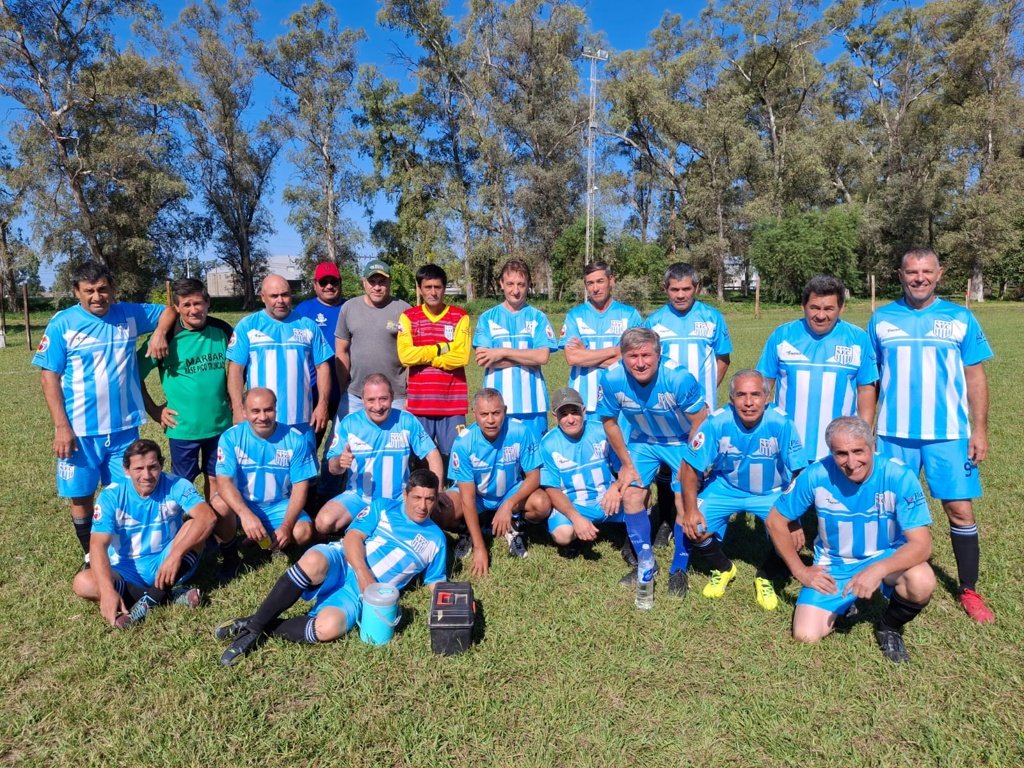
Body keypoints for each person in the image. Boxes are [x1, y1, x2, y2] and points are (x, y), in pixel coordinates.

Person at [867, 248, 995, 623]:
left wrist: (980, 430)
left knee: (959, 509)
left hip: (949, 435)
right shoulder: (881, 319)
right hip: (893, 434)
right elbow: (870, 381)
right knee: (887, 508)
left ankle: (969, 590)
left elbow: (975, 377)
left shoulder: (960, 318)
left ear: (939, 274)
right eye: (912, 272)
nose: (919, 278)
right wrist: (866, 430)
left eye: (926, 271)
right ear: (900, 275)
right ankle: (886, 579)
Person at [215, 468, 448, 666]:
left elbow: (435, 580)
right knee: (313, 560)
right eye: (417, 497)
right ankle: (254, 629)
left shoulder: (437, 539)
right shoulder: (383, 506)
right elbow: (353, 537)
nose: (422, 505)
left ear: (436, 498)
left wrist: (453, 606)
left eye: (429, 499)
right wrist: (363, 574)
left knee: (328, 628)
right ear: (405, 494)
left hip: (361, 594)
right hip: (343, 561)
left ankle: (257, 624)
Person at [34, 260, 176, 568]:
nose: (97, 297)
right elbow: (48, 377)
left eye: (102, 289)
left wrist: (159, 334)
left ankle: (123, 553)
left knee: (125, 491)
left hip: (123, 428)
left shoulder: (128, 314)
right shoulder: (63, 324)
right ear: (76, 292)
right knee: (81, 496)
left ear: (112, 289)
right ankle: (91, 556)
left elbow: (169, 310)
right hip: (79, 432)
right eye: (89, 291)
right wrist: (61, 427)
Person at [765, 417, 936, 663]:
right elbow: (775, 521)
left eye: (858, 451)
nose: (852, 463)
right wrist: (800, 571)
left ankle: (889, 626)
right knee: (805, 635)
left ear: (872, 446)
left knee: (922, 580)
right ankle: (846, 603)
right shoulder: (816, 474)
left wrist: (879, 569)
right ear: (831, 452)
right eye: (841, 454)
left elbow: (922, 545)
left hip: (886, 555)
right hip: (835, 564)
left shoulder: (899, 475)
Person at [676, 370, 809, 606]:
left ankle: (765, 576)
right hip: (726, 487)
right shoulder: (716, 422)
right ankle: (724, 568)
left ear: (766, 398)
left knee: (792, 539)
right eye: (741, 395)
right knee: (693, 525)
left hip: (771, 491)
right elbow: (690, 468)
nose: (749, 402)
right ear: (731, 399)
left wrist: (795, 519)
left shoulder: (782, 422)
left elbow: (800, 472)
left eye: (755, 395)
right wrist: (691, 509)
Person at [596, 327, 708, 584]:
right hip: (643, 439)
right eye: (632, 356)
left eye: (646, 355)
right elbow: (609, 423)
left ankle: (679, 567)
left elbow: (700, 420)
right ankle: (646, 564)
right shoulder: (611, 378)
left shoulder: (678, 378)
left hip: (681, 440)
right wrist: (626, 465)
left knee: (684, 498)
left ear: (659, 354)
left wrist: (691, 461)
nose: (640, 363)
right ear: (622, 356)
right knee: (631, 494)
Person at [71, 439, 216, 628]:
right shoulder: (111, 495)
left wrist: (175, 556)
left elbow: (208, 517)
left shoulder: (177, 484)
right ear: (126, 470)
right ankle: (168, 595)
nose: (146, 475)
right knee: (82, 582)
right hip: (125, 570)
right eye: (138, 469)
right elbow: (97, 544)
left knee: (194, 526)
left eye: (153, 467)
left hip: (167, 562)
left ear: (161, 465)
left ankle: (146, 603)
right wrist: (106, 590)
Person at [644, 262, 732, 545]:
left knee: (698, 463)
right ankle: (666, 520)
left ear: (696, 288)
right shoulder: (654, 322)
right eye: (674, 289)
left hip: (700, 410)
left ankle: (698, 522)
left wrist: (704, 394)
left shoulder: (712, 318)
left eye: (686, 289)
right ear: (665, 289)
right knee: (667, 465)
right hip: (665, 409)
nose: (680, 295)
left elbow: (723, 359)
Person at [757, 274, 878, 460]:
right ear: (803, 306)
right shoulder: (782, 336)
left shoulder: (858, 339)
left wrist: (865, 437)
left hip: (840, 451)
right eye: (814, 308)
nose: (821, 316)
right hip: (786, 447)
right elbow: (762, 388)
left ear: (841, 308)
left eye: (829, 308)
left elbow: (866, 391)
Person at [433, 388, 552, 576]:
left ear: (505, 410)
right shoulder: (463, 443)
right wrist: (480, 548)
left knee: (542, 503)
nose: (490, 420)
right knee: (439, 511)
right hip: (477, 497)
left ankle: (515, 527)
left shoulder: (520, 431)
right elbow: (467, 498)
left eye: (496, 413)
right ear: (474, 413)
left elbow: (534, 477)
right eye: (484, 414)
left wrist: (508, 504)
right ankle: (468, 531)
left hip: (510, 492)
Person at [315, 374, 444, 536]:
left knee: (440, 514)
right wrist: (340, 461)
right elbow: (333, 468)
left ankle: (369, 525)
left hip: (399, 499)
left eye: (383, 399)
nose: (377, 406)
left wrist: (438, 491)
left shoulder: (406, 420)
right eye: (371, 400)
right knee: (323, 522)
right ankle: (370, 523)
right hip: (359, 497)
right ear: (363, 400)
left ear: (392, 397)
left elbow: (432, 454)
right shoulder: (349, 423)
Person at [225, 274, 334, 446]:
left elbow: (323, 367)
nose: (280, 300)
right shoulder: (248, 326)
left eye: (285, 295)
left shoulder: (308, 325)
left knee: (303, 463)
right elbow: (235, 369)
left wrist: (322, 405)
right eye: (274, 296)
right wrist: (238, 409)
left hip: (301, 419)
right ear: (263, 297)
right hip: (261, 420)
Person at [212, 388, 318, 551]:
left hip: (278, 505)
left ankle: (272, 540)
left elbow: (300, 488)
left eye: (268, 410)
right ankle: (229, 552)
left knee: (303, 532)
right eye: (255, 411)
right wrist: (246, 514)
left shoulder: (295, 439)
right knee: (219, 504)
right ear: (244, 412)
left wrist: (287, 526)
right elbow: (223, 483)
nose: (262, 417)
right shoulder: (230, 437)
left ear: (276, 409)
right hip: (242, 502)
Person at [397, 264, 471, 476]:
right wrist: (440, 348)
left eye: (437, 287)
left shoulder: (460, 317)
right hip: (420, 403)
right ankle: (423, 492)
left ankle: (456, 492)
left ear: (444, 288)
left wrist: (425, 357)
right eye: (427, 287)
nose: (433, 292)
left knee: (457, 455)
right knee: (420, 458)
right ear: (420, 289)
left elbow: (462, 356)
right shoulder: (408, 317)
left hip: (452, 402)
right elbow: (406, 356)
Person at [472, 259, 558, 443]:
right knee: (502, 458)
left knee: (535, 458)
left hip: (533, 406)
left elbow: (542, 356)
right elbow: (483, 359)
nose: (515, 290)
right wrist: (528, 357)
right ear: (501, 284)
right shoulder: (487, 318)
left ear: (528, 285)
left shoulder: (538, 317)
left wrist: (501, 352)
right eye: (510, 284)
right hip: (496, 408)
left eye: (521, 284)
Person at [540, 388, 626, 557]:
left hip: (608, 500)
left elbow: (626, 467)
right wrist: (575, 517)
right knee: (563, 534)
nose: (571, 419)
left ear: (584, 410)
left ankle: (632, 541)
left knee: (642, 495)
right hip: (575, 506)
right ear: (554, 416)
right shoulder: (547, 444)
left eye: (575, 412)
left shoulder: (602, 431)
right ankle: (575, 535)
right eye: (564, 414)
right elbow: (552, 489)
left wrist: (616, 487)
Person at [560, 261, 642, 415]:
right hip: (583, 405)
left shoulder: (630, 315)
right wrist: (615, 351)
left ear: (611, 281)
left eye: (600, 281)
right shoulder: (574, 316)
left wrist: (586, 355)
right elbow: (572, 358)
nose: (595, 288)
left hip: (622, 403)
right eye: (590, 283)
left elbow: (634, 360)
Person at [335, 259, 411, 414]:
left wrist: (409, 393)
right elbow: (341, 351)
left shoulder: (404, 310)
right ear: (364, 283)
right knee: (344, 430)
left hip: (395, 396)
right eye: (372, 282)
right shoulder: (349, 308)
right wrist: (343, 389)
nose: (377, 287)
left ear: (390, 282)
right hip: (355, 396)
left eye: (382, 282)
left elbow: (412, 356)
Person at [292, 262, 346, 447]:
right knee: (309, 444)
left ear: (340, 282)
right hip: (314, 390)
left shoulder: (350, 307)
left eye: (333, 281)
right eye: (324, 282)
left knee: (347, 444)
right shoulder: (303, 311)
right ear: (315, 284)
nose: (329, 286)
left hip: (345, 389)